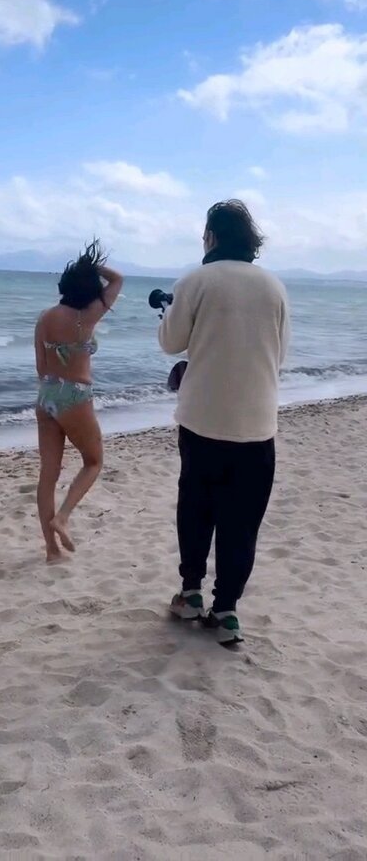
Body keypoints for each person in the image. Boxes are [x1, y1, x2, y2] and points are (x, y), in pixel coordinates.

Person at [159, 200, 290, 644]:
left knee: (196, 509)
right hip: (258, 424)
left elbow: (171, 341)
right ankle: (227, 610)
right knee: (242, 523)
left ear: (211, 237)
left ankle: (191, 593)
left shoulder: (195, 281)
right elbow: (279, 353)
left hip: (202, 421)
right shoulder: (274, 286)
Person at [34, 241, 123, 561]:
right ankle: (63, 517)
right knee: (93, 461)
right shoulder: (86, 316)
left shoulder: (45, 318)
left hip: (46, 395)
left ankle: (51, 550)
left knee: (48, 474)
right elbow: (118, 280)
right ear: (88, 289)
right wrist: (92, 267)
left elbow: (41, 367)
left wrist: (80, 269)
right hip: (75, 395)